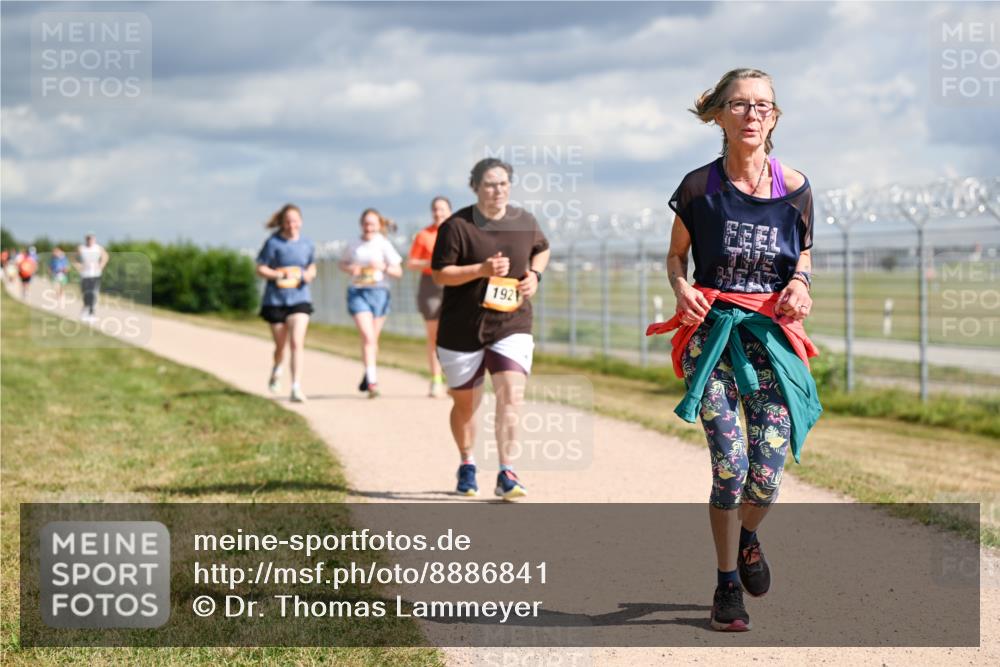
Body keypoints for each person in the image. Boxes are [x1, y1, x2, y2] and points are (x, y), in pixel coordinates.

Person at [646, 68, 822, 632]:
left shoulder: (795, 188)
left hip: (770, 339)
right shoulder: (699, 187)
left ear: (775, 116)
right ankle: (726, 585)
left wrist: (801, 285)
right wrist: (681, 288)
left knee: (766, 474)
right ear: (718, 115)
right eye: (740, 105)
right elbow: (677, 257)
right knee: (731, 465)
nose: (753, 114)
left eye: (763, 105)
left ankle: (749, 538)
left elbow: (804, 257)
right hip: (714, 336)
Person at [431, 157, 550, 500]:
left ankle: (506, 471)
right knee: (466, 405)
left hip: (511, 323)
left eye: (502, 183)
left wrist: (535, 276)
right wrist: (481, 269)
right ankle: (467, 462)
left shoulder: (523, 220)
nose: (497, 190)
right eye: (489, 184)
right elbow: (440, 274)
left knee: (511, 395)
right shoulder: (456, 226)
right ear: (475, 187)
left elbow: (542, 249)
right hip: (461, 328)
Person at [256, 204, 316, 403]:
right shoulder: (273, 243)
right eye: (288, 221)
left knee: (297, 342)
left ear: (301, 221)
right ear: (282, 223)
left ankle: (296, 387)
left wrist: (308, 275)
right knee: (280, 345)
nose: (292, 225)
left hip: (300, 298)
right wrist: (278, 274)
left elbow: (311, 266)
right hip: (276, 300)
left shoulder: (307, 243)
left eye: (295, 220)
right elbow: (260, 268)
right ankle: (277, 367)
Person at [340, 208, 403, 398]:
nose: (369, 227)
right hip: (358, 292)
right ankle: (373, 383)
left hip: (380, 293)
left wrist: (382, 267)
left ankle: (368, 373)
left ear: (378, 226)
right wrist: (352, 268)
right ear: (361, 224)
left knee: (372, 341)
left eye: (372, 224)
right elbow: (342, 263)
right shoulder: (353, 244)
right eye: (366, 224)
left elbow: (398, 272)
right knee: (367, 337)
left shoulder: (384, 244)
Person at [406, 196, 453, 397]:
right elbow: (411, 262)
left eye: (442, 209)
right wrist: (429, 263)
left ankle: (453, 379)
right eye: (435, 209)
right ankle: (435, 379)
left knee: (452, 335)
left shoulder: (456, 232)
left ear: (449, 211)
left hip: (454, 285)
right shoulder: (424, 235)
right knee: (434, 336)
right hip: (430, 286)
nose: (438, 213)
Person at [73, 234, 108, 321]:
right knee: (85, 292)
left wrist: (101, 266)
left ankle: (91, 313)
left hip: (95, 274)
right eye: (88, 239)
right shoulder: (81, 248)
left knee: (92, 292)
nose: (90, 240)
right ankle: (85, 309)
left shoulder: (98, 248)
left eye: (91, 239)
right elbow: (74, 259)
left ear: (94, 239)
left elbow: (105, 257)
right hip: (85, 274)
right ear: (86, 239)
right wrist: (79, 266)